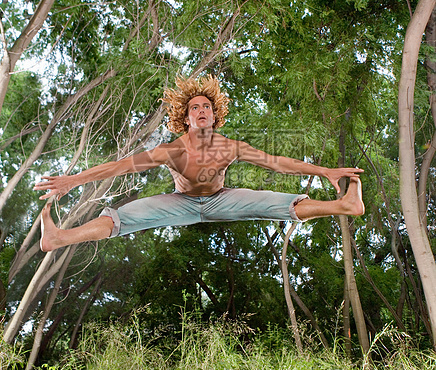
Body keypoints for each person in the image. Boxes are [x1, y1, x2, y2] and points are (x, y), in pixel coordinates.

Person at [34, 75, 364, 252]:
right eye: (195, 107)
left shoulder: (231, 146)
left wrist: (324, 170)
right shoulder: (172, 151)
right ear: (186, 118)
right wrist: (73, 180)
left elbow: (277, 163)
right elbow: (118, 167)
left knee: (274, 202)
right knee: (123, 217)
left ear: (215, 115)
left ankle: (345, 204)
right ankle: (60, 238)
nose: (202, 109)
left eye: (206, 106)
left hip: (222, 199)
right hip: (181, 203)